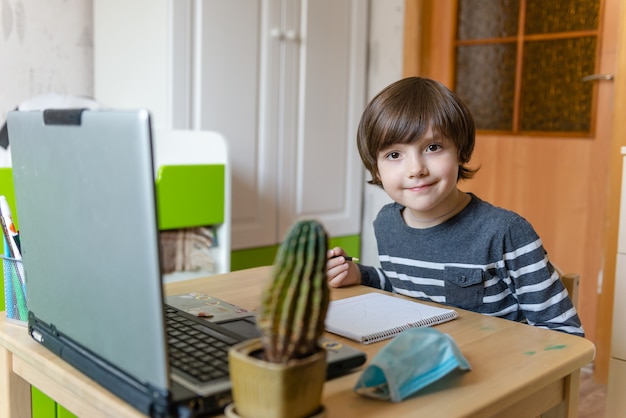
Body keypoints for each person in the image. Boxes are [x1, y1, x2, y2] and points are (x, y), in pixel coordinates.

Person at [326, 77, 584, 337]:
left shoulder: (505, 233)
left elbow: (565, 333)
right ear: (376, 169)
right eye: (394, 155)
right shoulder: (387, 223)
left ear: (461, 151)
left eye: (433, 147)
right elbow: (404, 285)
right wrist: (359, 274)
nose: (416, 169)